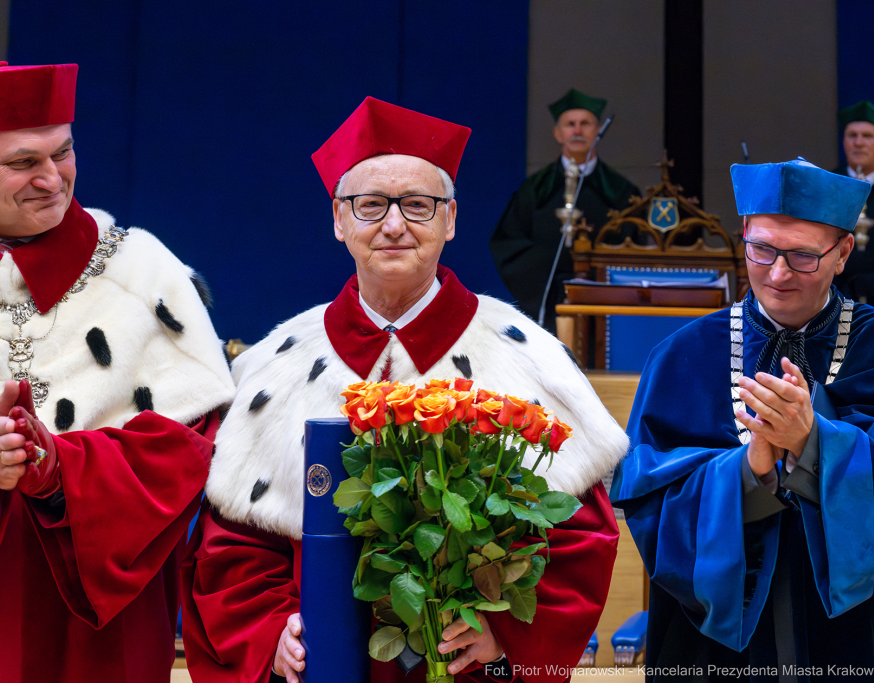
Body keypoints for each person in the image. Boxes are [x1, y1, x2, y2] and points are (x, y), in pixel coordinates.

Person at [182, 97, 630, 682]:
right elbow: (230, 546)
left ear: (450, 220)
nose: (394, 225)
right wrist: (270, 630)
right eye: (369, 205)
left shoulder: (528, 355)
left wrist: (506, 635)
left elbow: (580, 537)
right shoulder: (275, 364)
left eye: (417, 205)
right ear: (339, 221)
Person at [0, 62, 235, 682]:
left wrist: (64, 470)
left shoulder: (143, 273)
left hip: (94, 632)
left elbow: (189, 447)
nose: (52, 179)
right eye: (22, 163)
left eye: (62, 153)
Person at [612, 158, 874, 680]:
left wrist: (816, 445)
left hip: (869, 631)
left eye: (804, 256)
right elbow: (647, 496)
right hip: (718, 646)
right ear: (743, 236)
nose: (779, 273)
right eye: (762, 249)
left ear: (843, 253)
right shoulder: (682, 355)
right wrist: (748, 472)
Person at [489, 88, 641, 329]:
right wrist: (553, 267)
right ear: (558, 133)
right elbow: (508, 243)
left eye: (585, 124)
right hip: (549, 302)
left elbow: (638, 247)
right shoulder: (535, 189)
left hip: (605, 308)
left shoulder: (621, 192)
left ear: (598, 131)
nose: (577, 131)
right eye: (570, 124)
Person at [833, 100, 874, 312]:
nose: (858, 143)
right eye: (852, 135)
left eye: (867, 136)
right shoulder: (826, 187)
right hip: (832, 303)